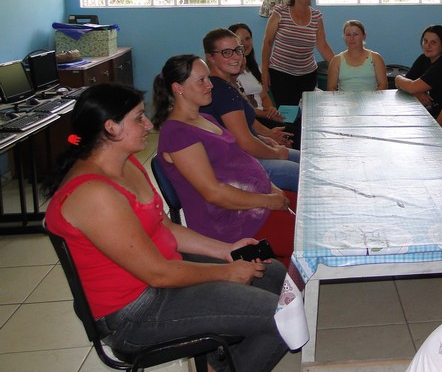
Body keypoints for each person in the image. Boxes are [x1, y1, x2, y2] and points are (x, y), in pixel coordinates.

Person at [43, 84, 288, 371]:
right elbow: (157, 273)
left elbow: (165, 227)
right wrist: (228, 272)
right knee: (283, 316)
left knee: (273, 274)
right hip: (134, 312)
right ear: (111, 128)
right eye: (138, 118)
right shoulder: (94, 193)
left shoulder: (127, 164)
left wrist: (227, 251)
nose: (148, 124)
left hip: (161, 276)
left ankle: (216, 360)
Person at [153, 55, 296, 266]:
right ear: (178, 88)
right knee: (311, 238)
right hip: (232, 221)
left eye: (208, 79)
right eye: (201, 80)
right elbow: (213, 193)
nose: (210, 85)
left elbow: (243, 159)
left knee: (311, 211)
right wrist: (268, 200)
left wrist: (272, 189)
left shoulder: (206, 119)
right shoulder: (177, 134)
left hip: (254, 203)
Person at [202, 28, 300, 192]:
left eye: (238, 50)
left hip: (245, 153)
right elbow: (244, 142)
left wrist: (264, 138)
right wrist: (276, 153)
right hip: (239, 164)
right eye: (226, 52)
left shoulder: (227, 84)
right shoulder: (221, 90)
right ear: (210, 57)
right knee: (305, 173)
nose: (236, 57)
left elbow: (242, 129)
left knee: (308, 160)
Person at [261, 0, 334, 107]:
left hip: (308, 75)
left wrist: (339, 65)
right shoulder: (280, 12)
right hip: (280, 74)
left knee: (305, 114)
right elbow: (267, 42)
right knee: (287, 116)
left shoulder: (317, 16)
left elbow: (323, 45)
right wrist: (264, 71)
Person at [394, 25, 442, 118]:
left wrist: (397, 78)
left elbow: (410, 86)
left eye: (433, 42)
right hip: (427, 109)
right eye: (425, 41)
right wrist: (416, 91)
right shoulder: (424, 58)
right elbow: (405, 85)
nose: (428, 46)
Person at [326, 20, 388, 91]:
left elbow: (383, 85)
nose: (352, 38)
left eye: (356, 34)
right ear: (344, 37)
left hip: (370, 101)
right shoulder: (336, 60)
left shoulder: (376, 58)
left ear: (364, 36)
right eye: (348, 35)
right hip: (344, 101)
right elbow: (331, 88)